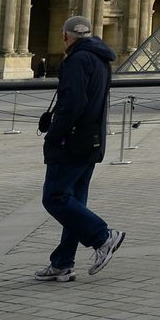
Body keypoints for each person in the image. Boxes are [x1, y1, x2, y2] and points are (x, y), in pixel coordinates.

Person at [37, 16, 124, 282]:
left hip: (72, 142)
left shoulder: (77, 60)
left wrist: (54, 134)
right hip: (92, 139)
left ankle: (103, 236)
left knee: (54, 197)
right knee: (74, 201)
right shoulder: (101, 59)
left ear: (66, 36)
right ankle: (63, 262)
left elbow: (73, 103)